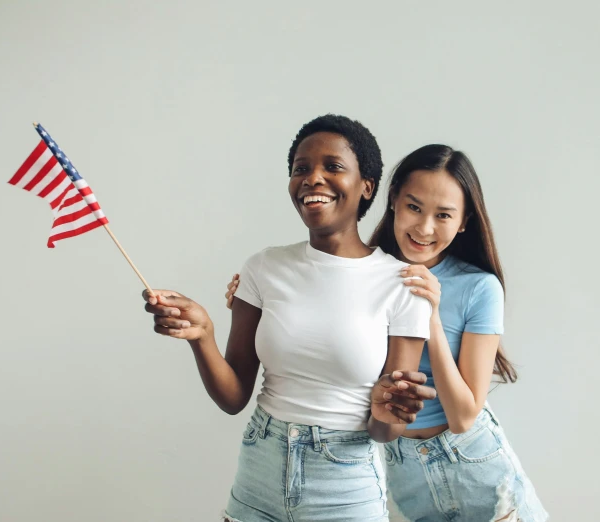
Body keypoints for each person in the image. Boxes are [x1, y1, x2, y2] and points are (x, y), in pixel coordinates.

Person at [227, 144, 548, 521]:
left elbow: (463, 416)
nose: (424, 228)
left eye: (443, 215)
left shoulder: (479, 287)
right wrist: (256, 305)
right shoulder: (371, 272)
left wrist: (427, 316)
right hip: (400, 468)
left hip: (475, 469)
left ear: (463, 222)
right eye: (414, 207)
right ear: (393, 199)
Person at [143, 115, 435, 522]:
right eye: (301, 168)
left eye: (332, 166)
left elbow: (384, 431)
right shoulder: (263, 268)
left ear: (366, 186)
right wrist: (203, 335)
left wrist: (388, 414)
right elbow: (233, 398)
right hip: (259, 470)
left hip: (345, 485)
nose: (312, 178)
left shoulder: (403, 286)